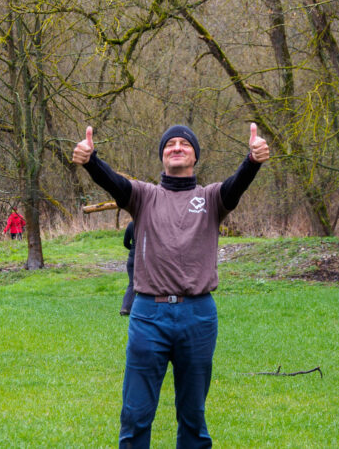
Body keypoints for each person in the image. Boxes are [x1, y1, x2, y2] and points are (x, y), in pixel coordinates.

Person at [73, 122, 269, 448]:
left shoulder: (211, 198)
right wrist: (91, 160)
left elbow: (237, 186)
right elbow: (115, 183)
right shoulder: (144, 196)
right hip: (148, 315)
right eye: (169, 144)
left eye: (184, 144)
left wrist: (252, 161)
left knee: (193, 417)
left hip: (198, 316)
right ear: (162, 157)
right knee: (135, 416)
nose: (176, 147)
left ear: (195, 157)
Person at [120, 221, 136, 316]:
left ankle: (125, 308)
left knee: (132, 284)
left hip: (131, 258)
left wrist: (133, 249)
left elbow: (125, 243)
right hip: (142, 259)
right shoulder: (147, 223)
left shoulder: (131, 224)